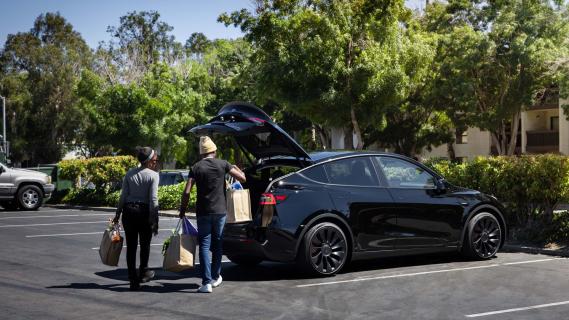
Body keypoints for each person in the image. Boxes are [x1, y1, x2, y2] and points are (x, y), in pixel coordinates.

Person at [179, 136, 246, 293]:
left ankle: (206, 283)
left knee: (204, 245)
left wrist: (182, 210)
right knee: (218, 244)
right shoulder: (223, 164)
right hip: (220, 211)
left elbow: (187, 191)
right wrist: (237, 168)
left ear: (202, 153)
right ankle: (216, 277)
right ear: (214, 151)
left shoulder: (196, 167)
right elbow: (242, 178)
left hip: (203, 212)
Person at [113, 147, 160, 291]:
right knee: (145, 245)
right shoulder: (153, 175)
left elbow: (123, 196)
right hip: (144, 212)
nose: (156, 162)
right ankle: (144, 272)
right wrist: (155, 219)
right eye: (155, 160)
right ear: (150, 161)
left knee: (131, 247)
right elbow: (153, 199)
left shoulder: (129, 174)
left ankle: (133, 279)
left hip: (129, 212)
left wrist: (118, 214)